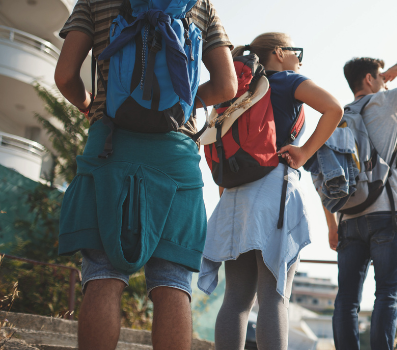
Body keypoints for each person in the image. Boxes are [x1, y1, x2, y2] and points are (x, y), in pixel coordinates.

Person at [54, 0, 237, 349]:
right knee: (172, 281)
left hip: (109, 144)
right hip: (175, 155)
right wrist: (176, 104)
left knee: (103, 275)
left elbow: (64, 76)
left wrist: (91, 105)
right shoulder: (199, 5)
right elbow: (227, 86)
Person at [197, 32, 344, 350]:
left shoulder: (238, 92)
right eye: (296, 51)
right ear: (278, 53)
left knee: (236, 299)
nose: (299, 58)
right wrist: (304, 152)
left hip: (235, 197)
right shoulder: (288, 80)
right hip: (273, 192)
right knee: (274, 298)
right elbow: (334, 108)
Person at [329, 57, 397, 349]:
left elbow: (325, 175)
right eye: (381, 76)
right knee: (387, 293)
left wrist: (332, 225)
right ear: (369, 79)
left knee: (347, 299)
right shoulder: (385, 101)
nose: (385, 80)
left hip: (348, 218)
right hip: (387, 215)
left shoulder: (336, 115)